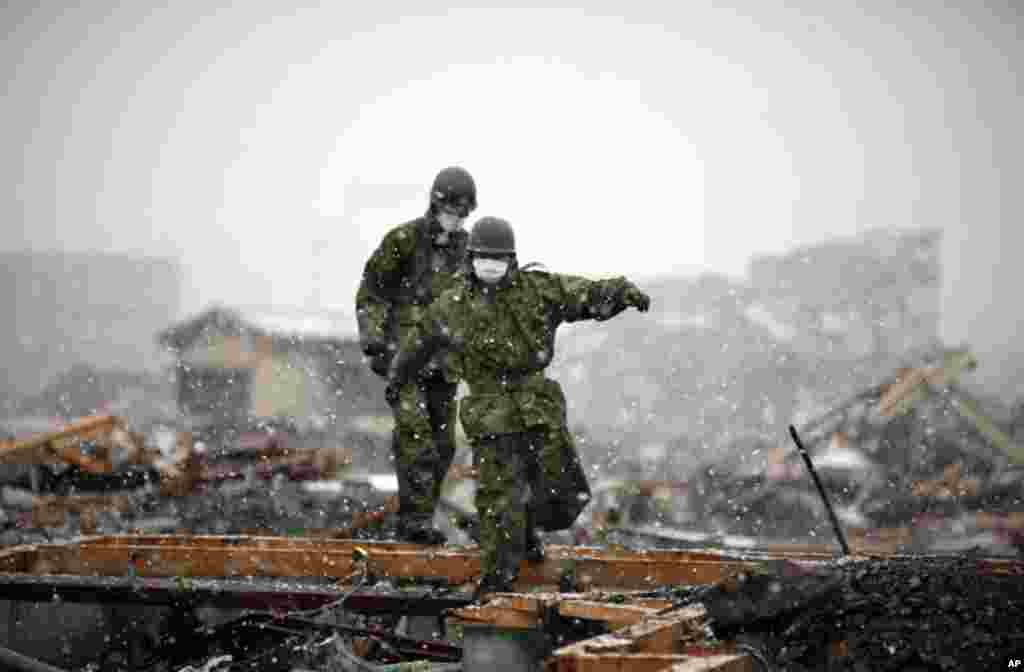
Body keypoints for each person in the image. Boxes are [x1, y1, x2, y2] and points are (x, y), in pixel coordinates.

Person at [387, 216, 651, 595]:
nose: (490, 266)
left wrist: (621, 292)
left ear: (511, 259)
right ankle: (498, 577)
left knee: (564, 492)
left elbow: (582, 293)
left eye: (497, 259)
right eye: (483, 258)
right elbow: (419, 342)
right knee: (499, 498)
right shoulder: (453, 304)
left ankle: (526, 529)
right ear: (471, 259)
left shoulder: (536, 291)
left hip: (537, 406)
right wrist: (398, 377)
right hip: (490, 414)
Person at [355, 166, 477, 545]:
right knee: (415, 437)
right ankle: (414, 524)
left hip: (446, 365)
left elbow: (481, 305)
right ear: (436, 204)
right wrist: (374, 341)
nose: (456, 220)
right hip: (404, 361)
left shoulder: (469, 251)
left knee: (443, 447)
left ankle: (419, 517)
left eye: (462, 213)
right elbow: (373, 293)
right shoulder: (404, 241)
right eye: (451, 211)